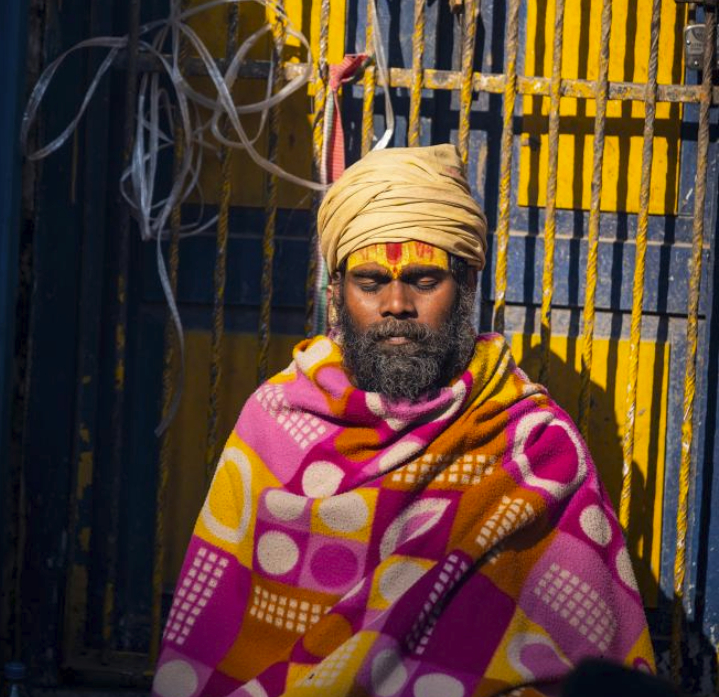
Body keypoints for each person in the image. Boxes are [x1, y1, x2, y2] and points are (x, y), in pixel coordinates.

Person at [151, 144, 655, 697]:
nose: (396, 304)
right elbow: (216, 632)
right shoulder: (275, 420)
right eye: (370, 283)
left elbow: (580, 660)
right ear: (337, 293)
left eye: (423, 280)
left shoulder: (534, 444)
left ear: (465, 287)